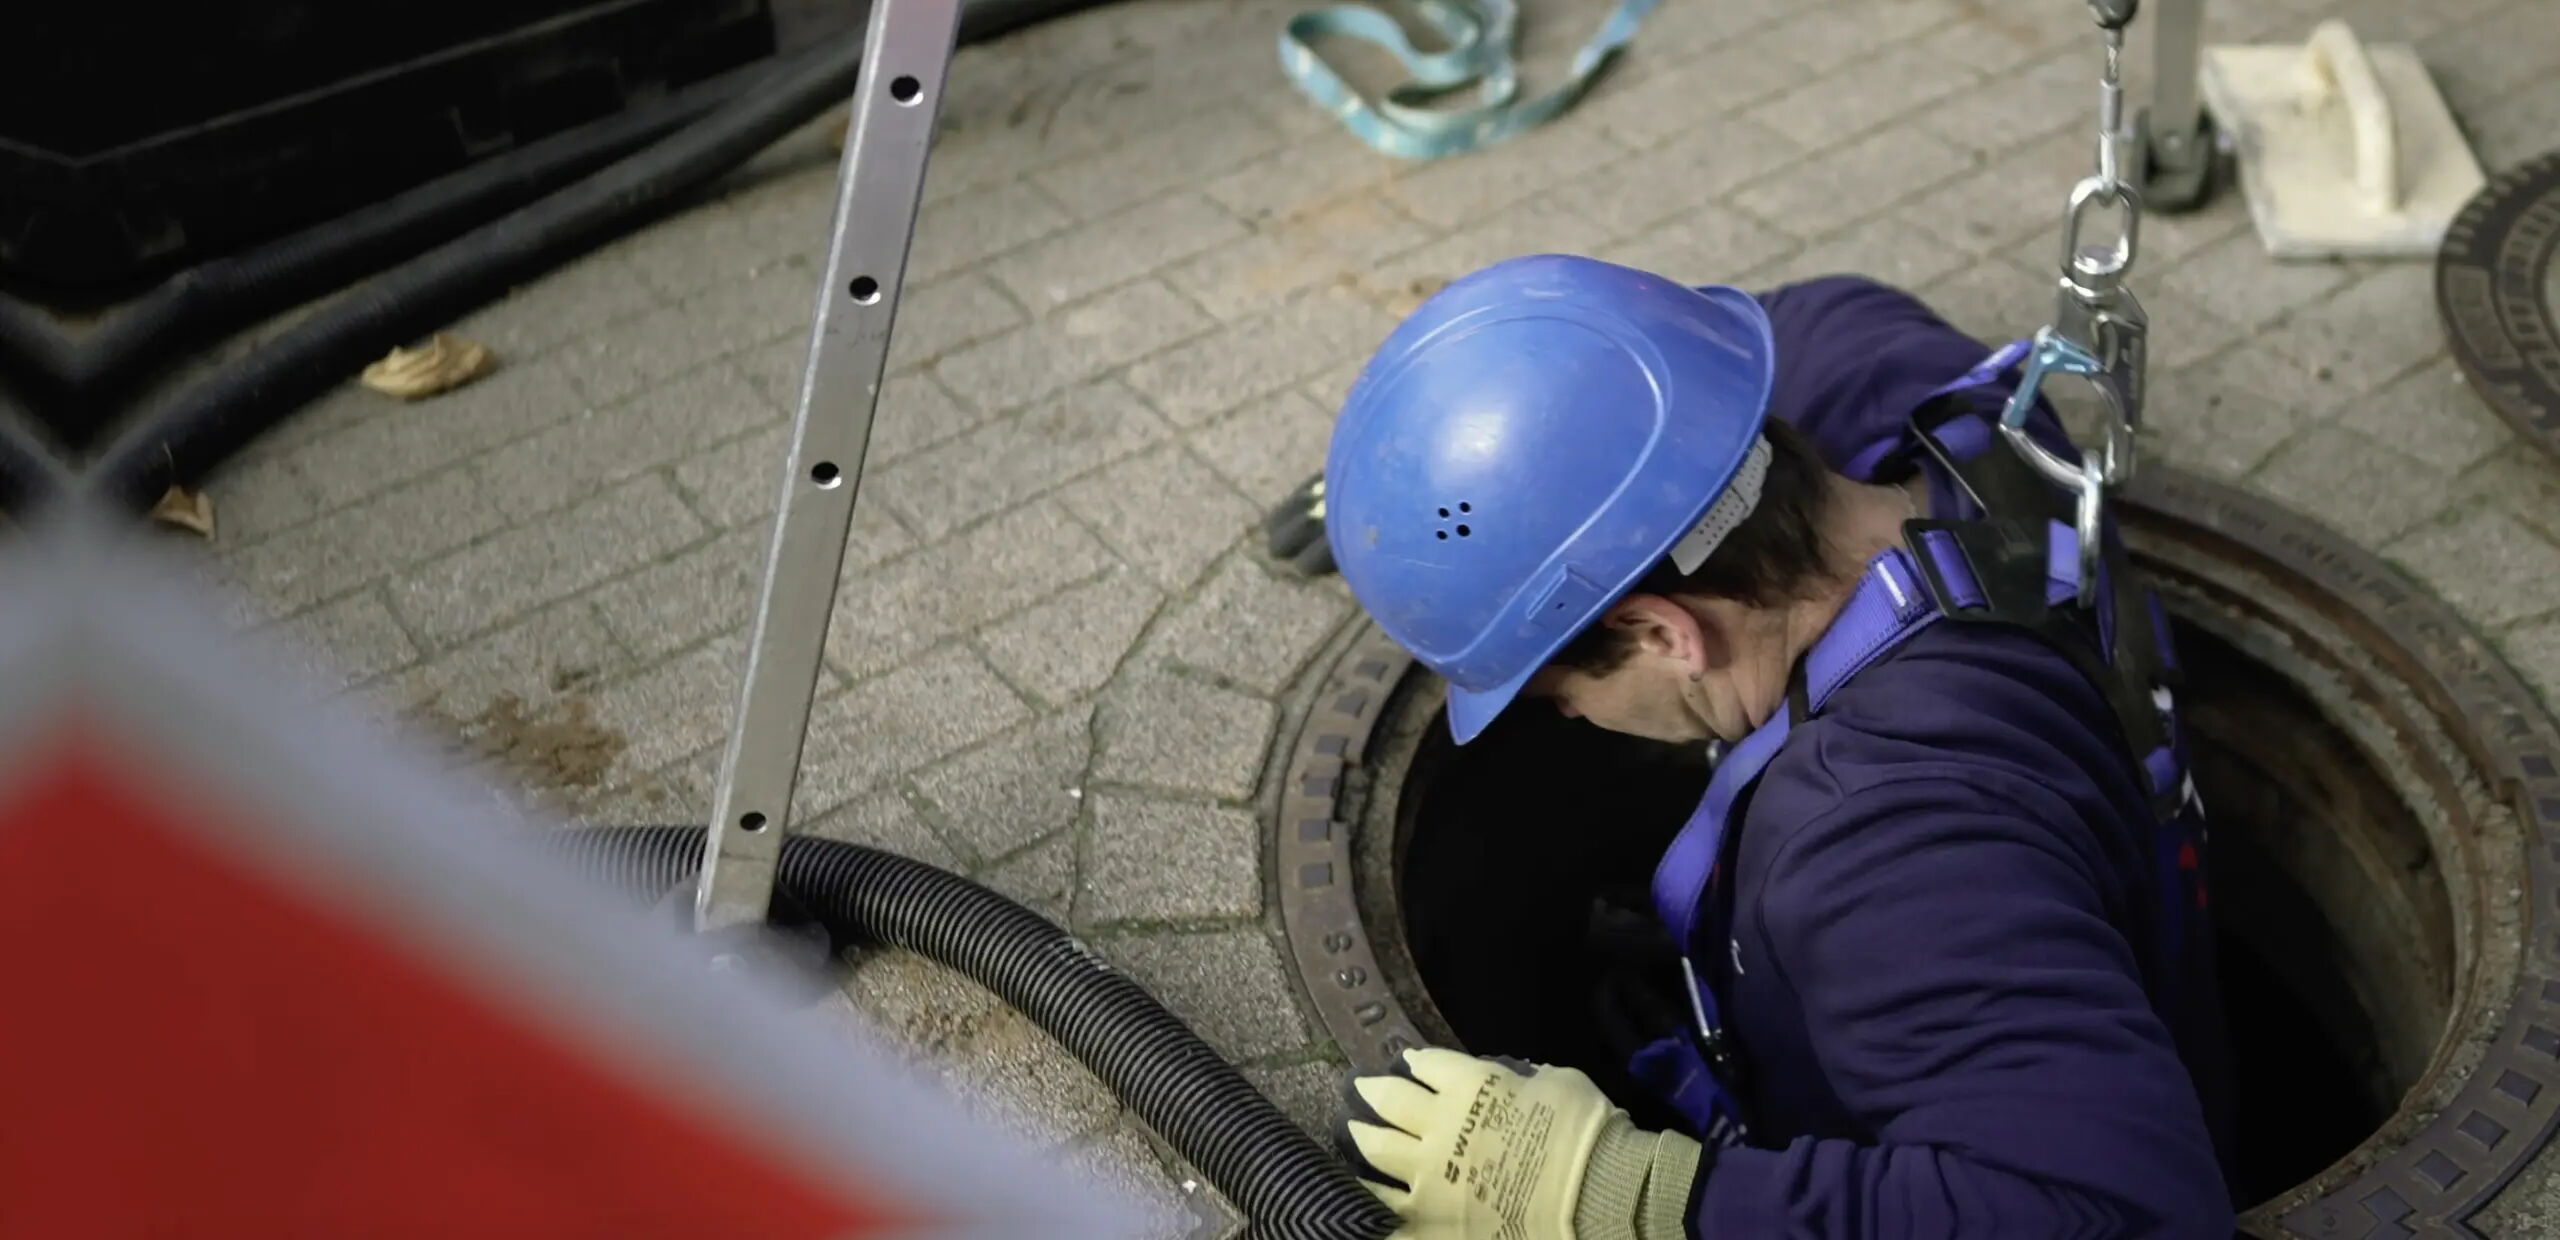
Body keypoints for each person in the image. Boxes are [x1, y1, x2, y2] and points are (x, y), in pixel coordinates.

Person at [1321, 254, 2236, 1239]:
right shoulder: (1934, 404)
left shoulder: (1881, 852)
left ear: (1660, 633)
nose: (1572, 717)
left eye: (1557, 690)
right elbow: (1744, 330)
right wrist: (1432, 479)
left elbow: (2128, 1211)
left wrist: (1633, 1195)